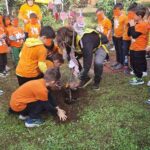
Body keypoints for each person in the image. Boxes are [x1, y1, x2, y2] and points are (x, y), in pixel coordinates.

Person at [128, 5, 148, 85]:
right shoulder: (136, 23)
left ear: (139, 16)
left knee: (137, 64)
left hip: (139, 48)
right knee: (133, 63)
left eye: (135, 15)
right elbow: (129, 33)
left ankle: (140, 79)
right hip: (133, 47)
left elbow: (134, 35)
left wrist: (132, 26)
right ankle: (137, 76)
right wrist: (130, 26)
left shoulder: (143, 25)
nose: (133, 16)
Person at [112, 3, 127, 70]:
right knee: (117, 49)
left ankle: (121, 63)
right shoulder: (115, 16)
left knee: (121, 50)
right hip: (115, 36)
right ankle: (118, 61)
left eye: (117, 10)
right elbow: (115, 25)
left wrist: (122, 35)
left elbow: (125, 28)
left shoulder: (124, 17)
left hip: (121, 37)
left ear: (121, 10)